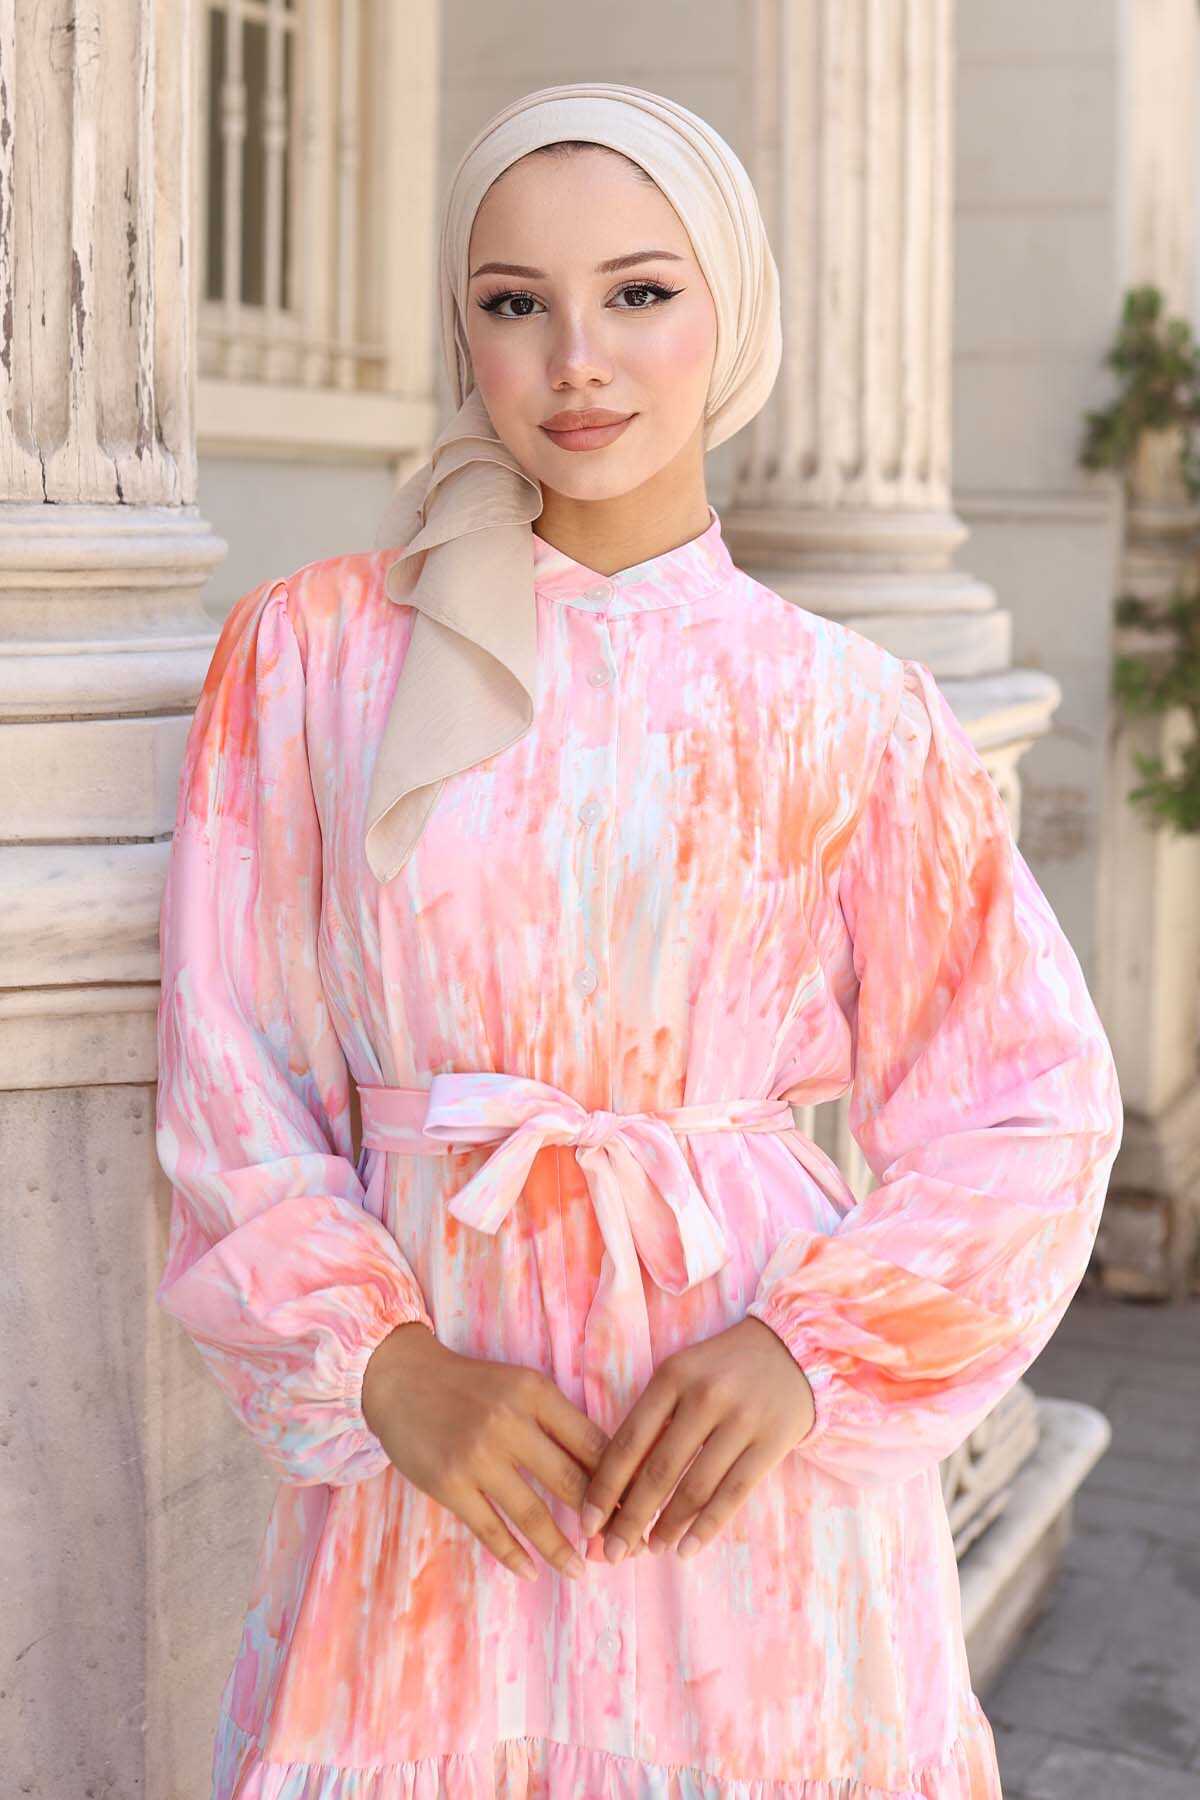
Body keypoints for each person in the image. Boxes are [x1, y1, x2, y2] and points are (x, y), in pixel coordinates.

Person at [154, 80, 1124, 1800]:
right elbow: (233, 1072)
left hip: (750, 1501)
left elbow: (1029, 1106)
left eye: (640, 292)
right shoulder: (311, 660)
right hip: (442, 1488)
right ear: (465, 331)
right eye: (515, 303)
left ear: (726, 313)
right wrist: (386, 1371)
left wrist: (809, 1355)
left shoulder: (851, 710)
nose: (577, 360)